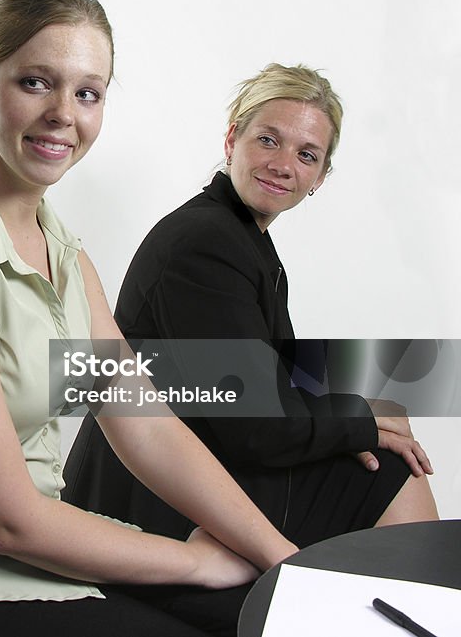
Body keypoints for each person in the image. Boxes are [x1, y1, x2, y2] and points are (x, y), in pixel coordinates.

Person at [0, 0, 298, 637]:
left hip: (44, 565)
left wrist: (277, 556)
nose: (65, 112)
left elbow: (143, 422)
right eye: (36, 82)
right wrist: (193, 562)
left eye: (87, 92)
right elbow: (7, 522)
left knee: (278, 610)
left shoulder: (62, 249)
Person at [63, 63, 438, 625]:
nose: (283, 164)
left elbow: (266, 388)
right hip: (149, 493)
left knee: (380, 460)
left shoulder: (242, 240)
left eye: (307, 155)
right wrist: (356, 421)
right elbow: (257, 423)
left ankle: (407, 614)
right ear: (231, 138)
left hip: (208, 453)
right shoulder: (206, 243)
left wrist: (351, 423)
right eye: (269, 139)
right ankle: (422, 614)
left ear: (320, 178)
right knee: (387, 471)